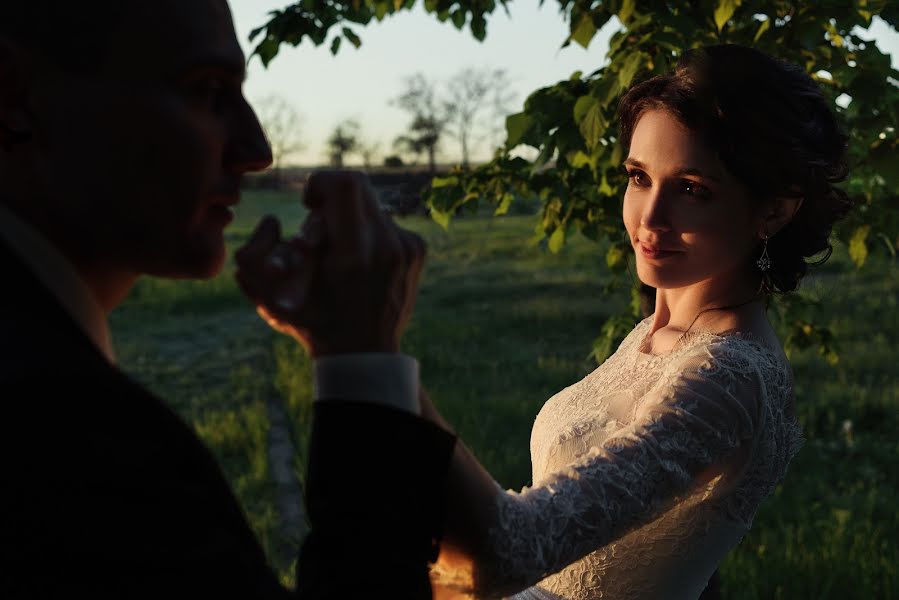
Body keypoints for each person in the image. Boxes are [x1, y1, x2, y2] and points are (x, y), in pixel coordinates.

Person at [244, 45, 851, 599]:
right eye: (638, 178)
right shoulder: (659, 333)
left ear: (773, 208)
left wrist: (368, 349)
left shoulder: (728, 375)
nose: (650, 217)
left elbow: (507, 555)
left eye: (692, 189)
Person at [0, 1, 455, 598]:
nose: (257, 148)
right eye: (207, 90)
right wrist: (363, 360)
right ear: (15, 96)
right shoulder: (64, 436)